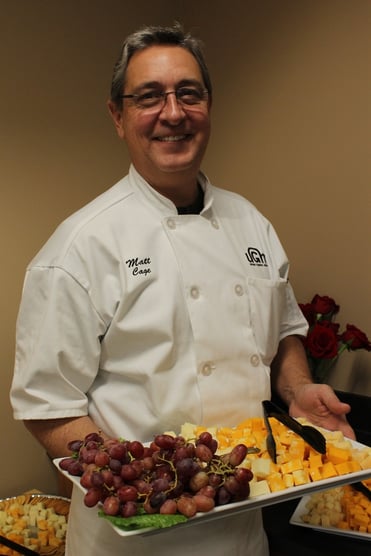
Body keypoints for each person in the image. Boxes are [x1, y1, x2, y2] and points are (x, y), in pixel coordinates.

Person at [10, 23, 355, 556]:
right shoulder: (79, 247)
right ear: (117, 116)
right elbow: (44, 403)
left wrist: (298, 389)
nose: (173, 113)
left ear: (208, 106)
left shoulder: (252, 222)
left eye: (188, 94)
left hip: (246, 525)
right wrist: (131, 477)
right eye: (148, 97)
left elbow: (284, 332)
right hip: (134, 538)